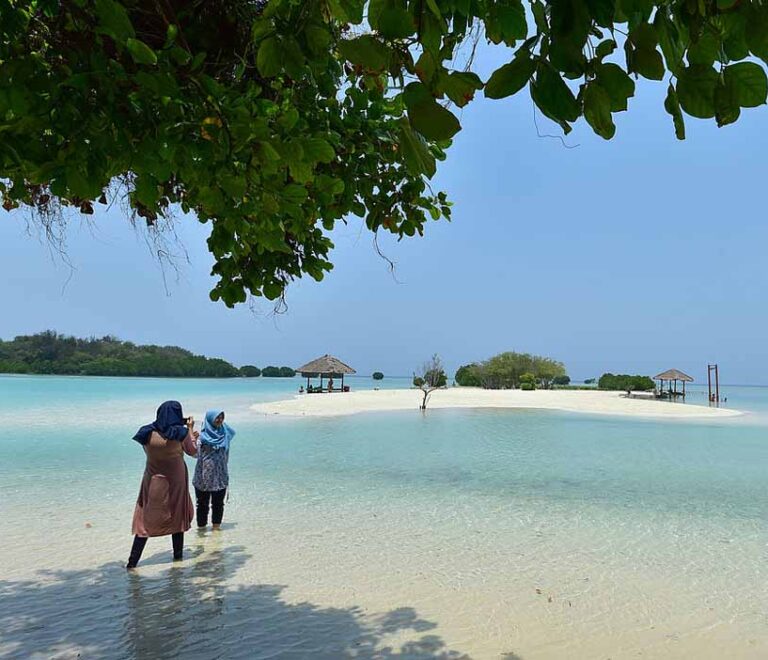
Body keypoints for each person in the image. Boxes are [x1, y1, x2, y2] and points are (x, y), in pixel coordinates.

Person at [127, 401, 198, 569]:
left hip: (152, 479)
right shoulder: (180, 433)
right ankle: (178, 561)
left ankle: (132, 563)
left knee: (145, 518)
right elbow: (193, 451)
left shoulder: (146, 433)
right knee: (176, 516)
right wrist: (190, 431)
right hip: (176, 481)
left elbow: (150, 451)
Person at [193, 409, 236, 531]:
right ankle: (201, 531)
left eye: (222, 417)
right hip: (203, 476)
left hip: (220, 475)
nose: (220, 420)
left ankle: (216, 531)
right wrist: (192, 438)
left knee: (218, 505)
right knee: (202, 505)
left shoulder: (225, 434)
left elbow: (226, 454)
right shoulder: (200, 436)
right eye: (217, 417)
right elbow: (194, 454)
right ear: (210, 419)